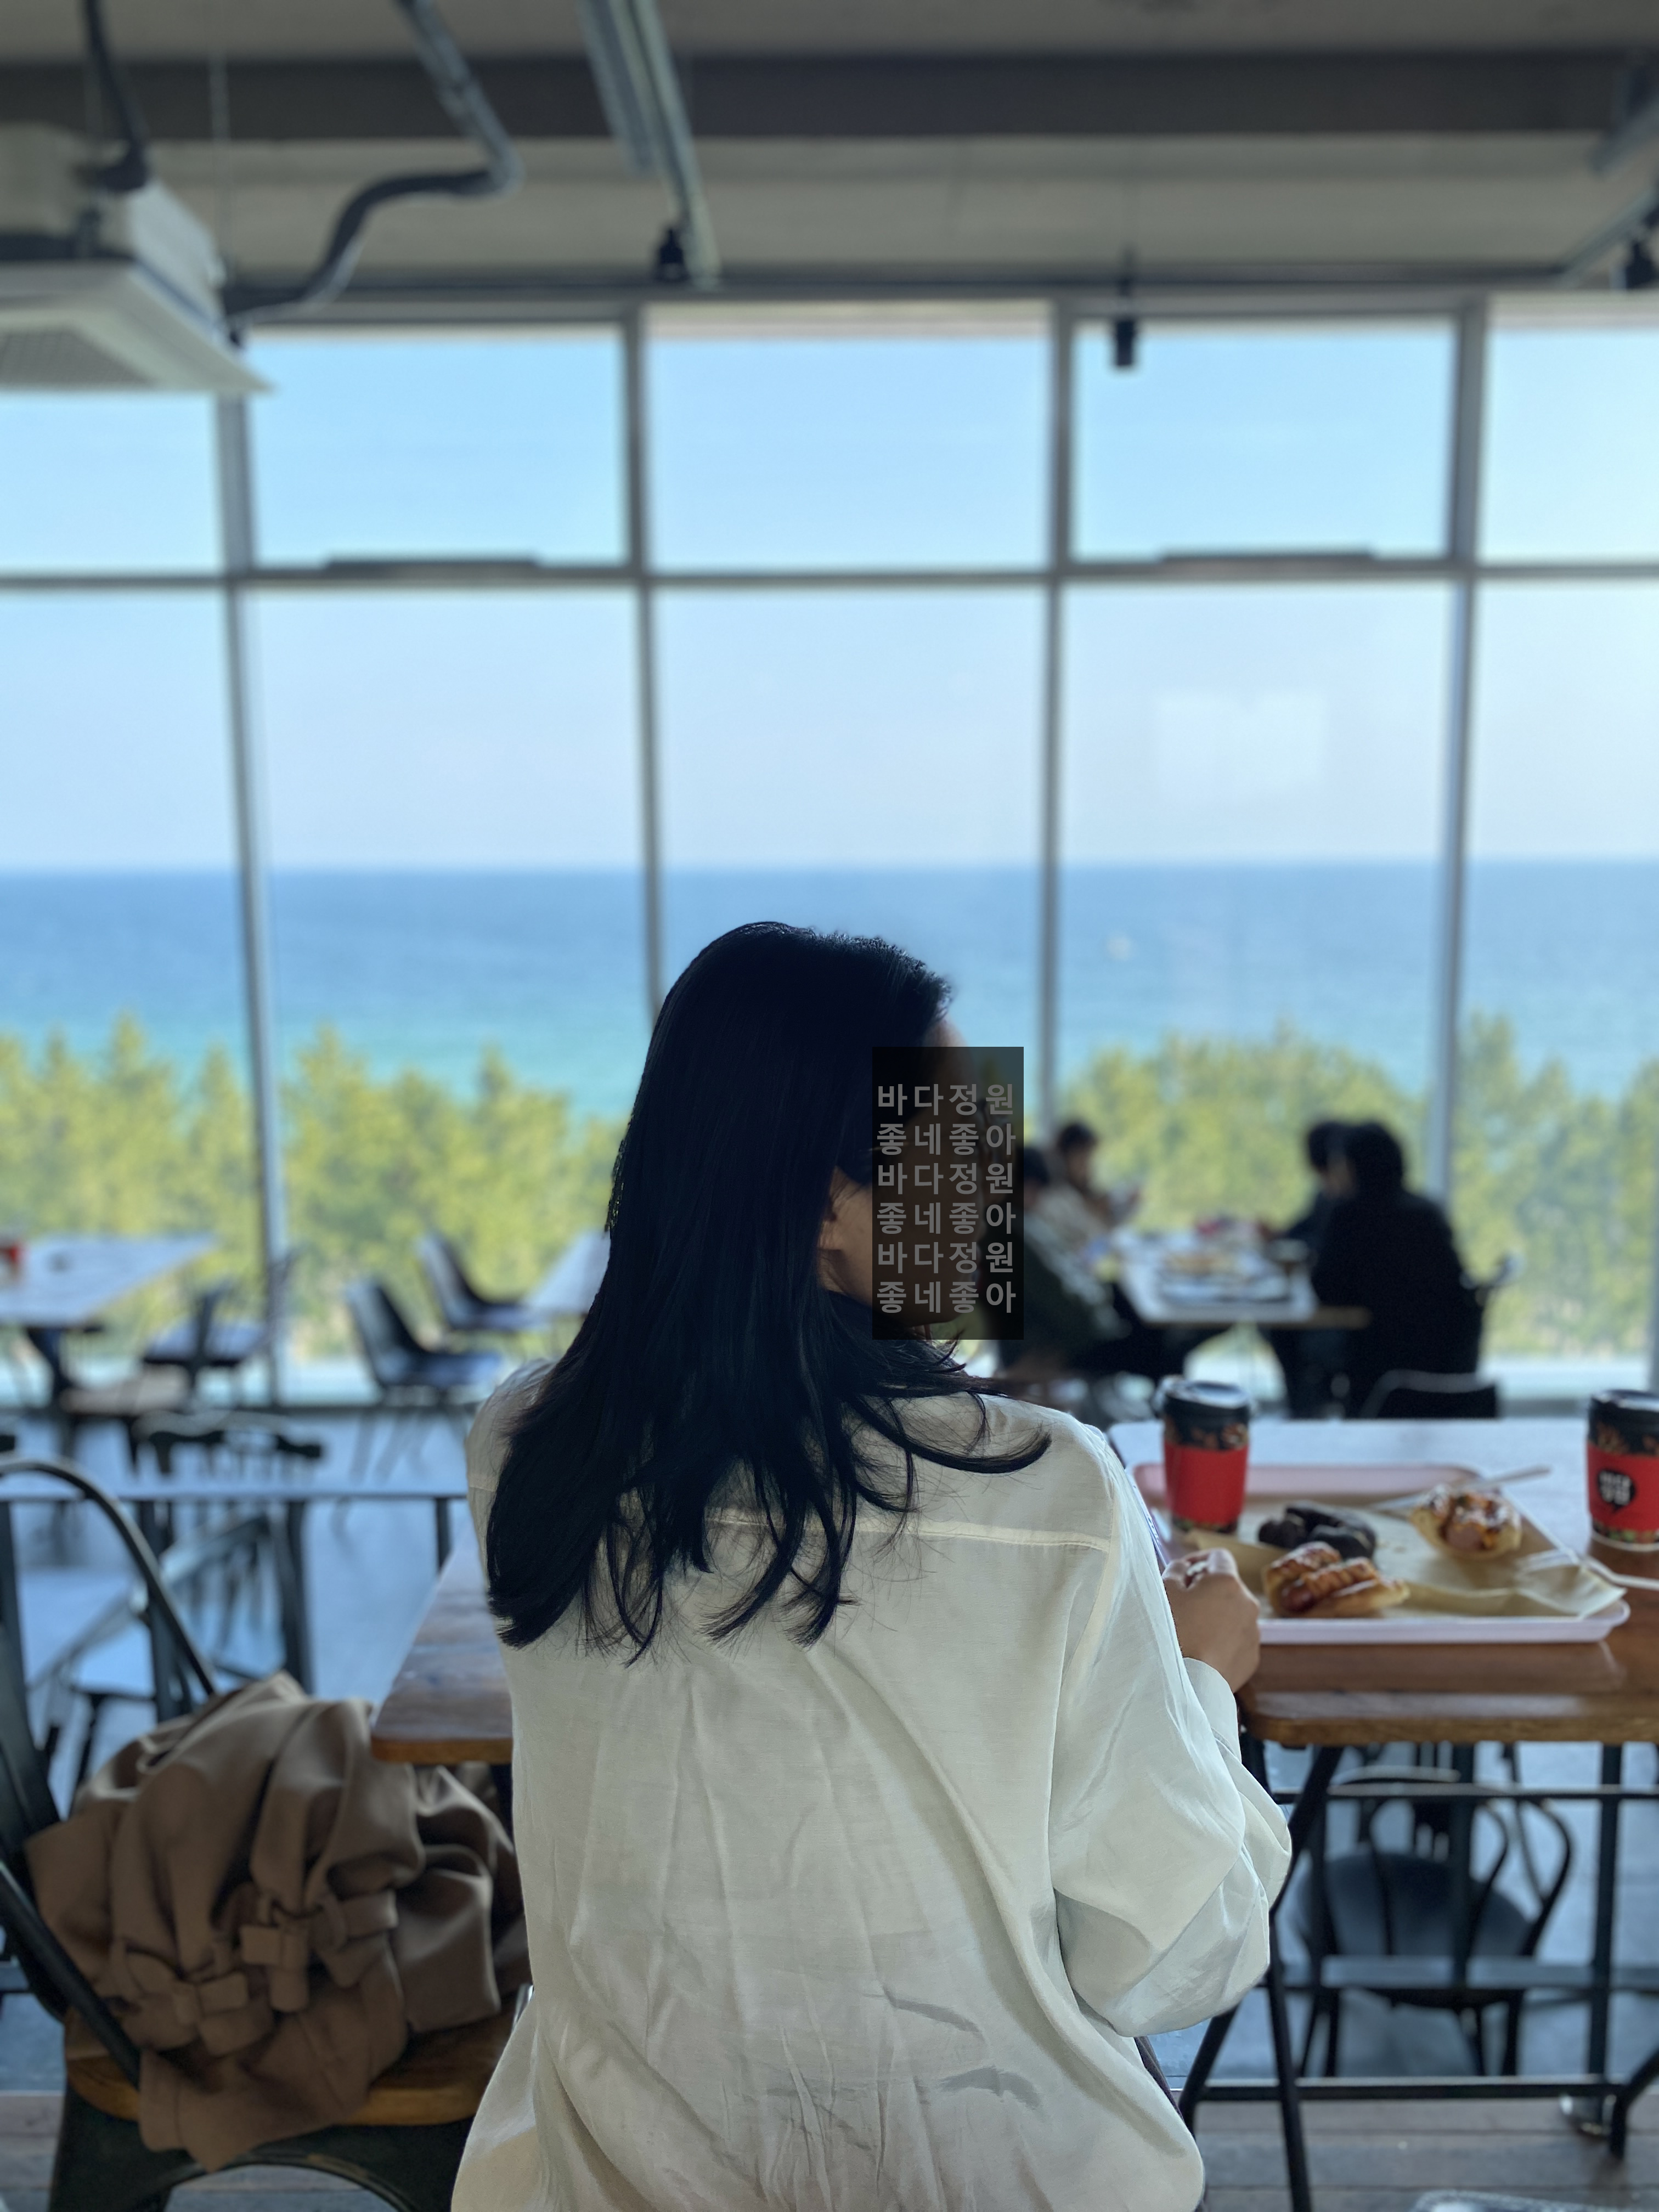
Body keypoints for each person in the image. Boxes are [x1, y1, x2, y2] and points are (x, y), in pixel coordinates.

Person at [458, 922, 1288, 2212]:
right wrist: (1201, 1684)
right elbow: (1174, 1957)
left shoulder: (527, 1450)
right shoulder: (1048, 1497)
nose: (991, 1187)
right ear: (822, 1206)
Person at [1311, 1119, 1478, 1418]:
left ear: (1351, 1167)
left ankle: (1304, 1419)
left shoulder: (1348, 1215)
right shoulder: (1429, 1212)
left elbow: (1325, 1290)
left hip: (1375, 1368)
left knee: (1300, 1347)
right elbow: (1457, 1285)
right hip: (1444, 1367)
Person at [1013, 1146, 1193, 1385]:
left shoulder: (1026, 1222)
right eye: (1034, 1190)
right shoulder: (1021, 1235)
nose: (1038, 1199)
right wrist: (1106, 1309)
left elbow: (1068, 1277)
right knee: (1165, 1347)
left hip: (1075, 1324)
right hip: (1070, 1345)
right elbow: (1070, 1307)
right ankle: (1174, 1403)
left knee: (1148, 1319)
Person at [1265, 1119, 1350, 1418]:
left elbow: (1326, 1280)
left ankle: (1304, 1414)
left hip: (1361, 1335)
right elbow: (1302, 1232)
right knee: (1279, 1327)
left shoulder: (1349, 1208)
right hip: (1370, 1329)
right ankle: (1304, 1412)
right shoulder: (1329, 1198)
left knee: (1283, 1331)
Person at [1036, 1119, 1142, 1260]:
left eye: (1089, 1158)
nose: (1087, 1166)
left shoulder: (1083, 1194)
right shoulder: (1055, 1201)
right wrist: (1099, 1214)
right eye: (1082, 1158)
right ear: (1063, 1158)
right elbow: (1088, 1245)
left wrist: (1118, 1208)